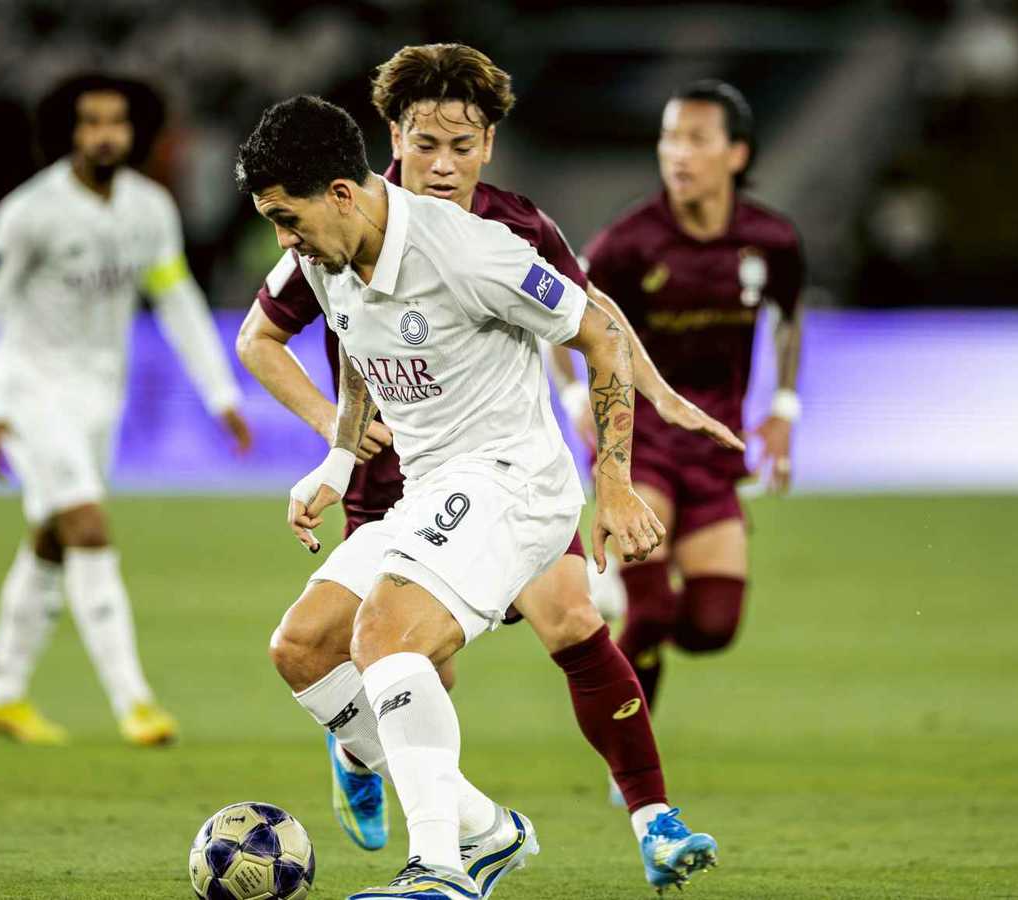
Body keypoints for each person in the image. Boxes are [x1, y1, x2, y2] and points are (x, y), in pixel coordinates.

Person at [234, 45, 731, 893]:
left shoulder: (475, 248)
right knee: (304, 649)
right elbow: (357, 348)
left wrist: (614, 482)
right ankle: (487, 831)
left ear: (341, 193)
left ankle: (439, 870)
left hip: (513, 481)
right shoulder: (326, 252)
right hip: (429, 485)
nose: (283, 240)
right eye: (424, 143)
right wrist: (335, 459)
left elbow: (599, 333)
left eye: (287, 219)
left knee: (396, 638)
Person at [0, 72, 250, 747]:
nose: (104, 135)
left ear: (136, 130)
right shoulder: (30, 212)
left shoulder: (150, 209)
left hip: (100, 395)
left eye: (116, 122)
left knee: (53, 535)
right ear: (68, 131)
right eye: (90, 122)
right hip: (32, 390)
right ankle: (134, 702)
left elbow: (174, 297)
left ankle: (1, 693)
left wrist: (221, 393)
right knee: (87, 525)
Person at [578, 79, 804, 718]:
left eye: (697, 139)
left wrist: (784, 407)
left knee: (711, 626)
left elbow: (789, 318)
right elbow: (565, 314)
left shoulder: (772, 240)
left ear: (737, 153)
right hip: (639, 446)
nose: (678, 153)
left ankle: (616, 611)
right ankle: (629, 757)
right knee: (651, 610)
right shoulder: (629, 243)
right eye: (670, 139)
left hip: (714, 447)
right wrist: (575, 398)